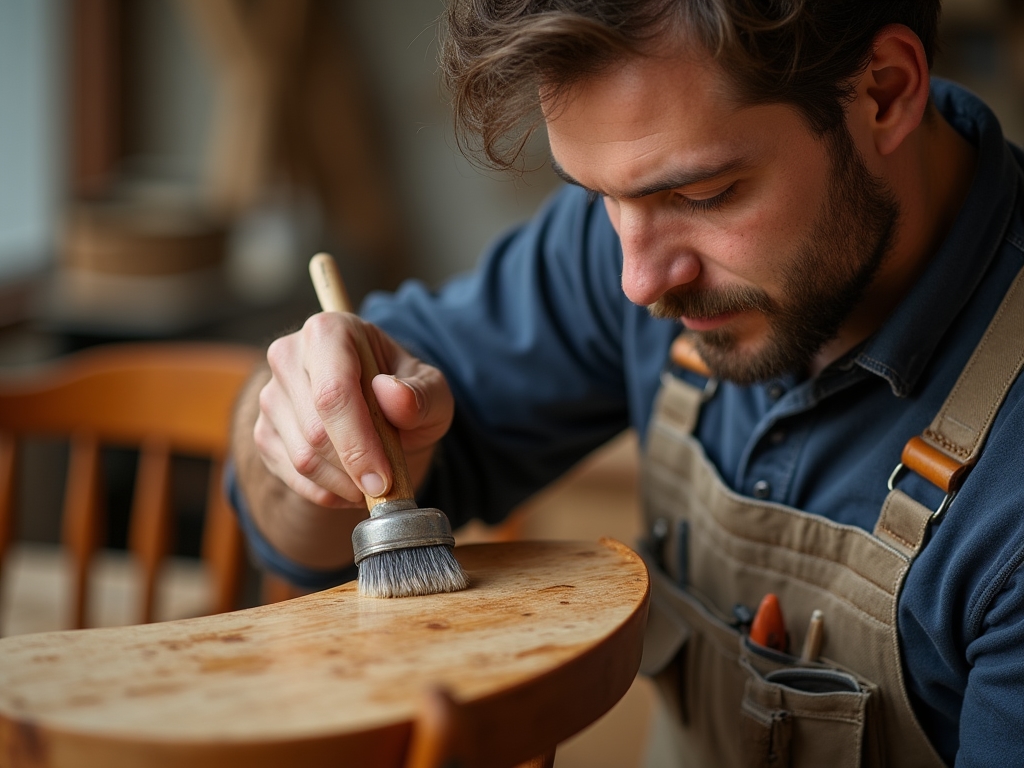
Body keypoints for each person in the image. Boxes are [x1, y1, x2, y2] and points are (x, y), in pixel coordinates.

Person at [227, 1, 1024, 765]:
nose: (637, 283)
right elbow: (302, 536)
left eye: (704, 195)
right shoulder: (635, 229)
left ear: (884, 91)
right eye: (598, 196)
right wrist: (311, 441)